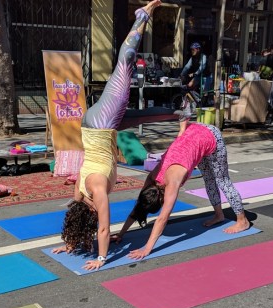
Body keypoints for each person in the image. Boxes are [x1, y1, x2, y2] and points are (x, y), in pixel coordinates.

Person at [51, 0, 162, 271]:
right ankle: (178, 114)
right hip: (92, 127)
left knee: (125, 62)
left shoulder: (97, 191)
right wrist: (69, 244)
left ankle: (141, 16)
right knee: (147, 113)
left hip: (102, 123)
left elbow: (103, 229)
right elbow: (74, 214)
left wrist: (101, 259)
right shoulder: (80, 192)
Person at [112, 121, 250, 260]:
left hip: (210, 135)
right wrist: (121, 233)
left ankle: (242, 220)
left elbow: (162, 219)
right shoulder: (152, 178)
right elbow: (139, 206)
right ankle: (219, 215)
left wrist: (146, 249)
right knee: (209, 180)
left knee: (222, 180)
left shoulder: (172, 182)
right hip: (194, 138)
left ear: (161, 199)